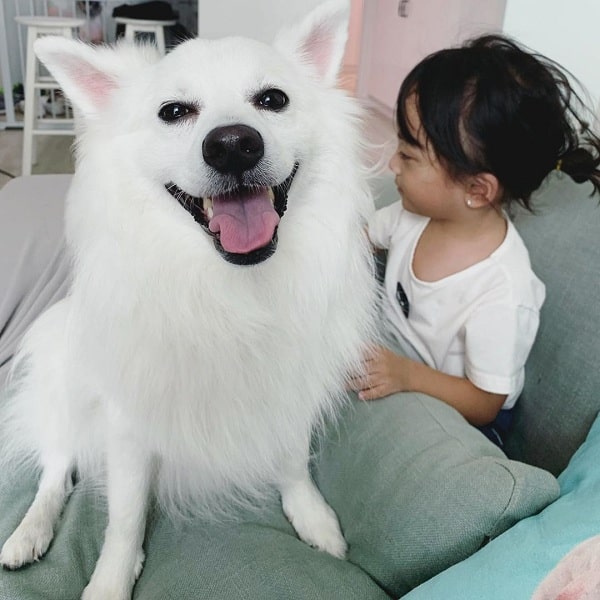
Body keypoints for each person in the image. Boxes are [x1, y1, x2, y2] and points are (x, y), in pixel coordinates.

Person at [350, 34, 600, 445]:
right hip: (394, 361)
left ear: (478, 190)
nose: (392, 163)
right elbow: (359, 241)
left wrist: (406, 375)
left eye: (409, 156)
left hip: (463, 415)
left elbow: (485, 401)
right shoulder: (412, 214)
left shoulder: (500, 294)